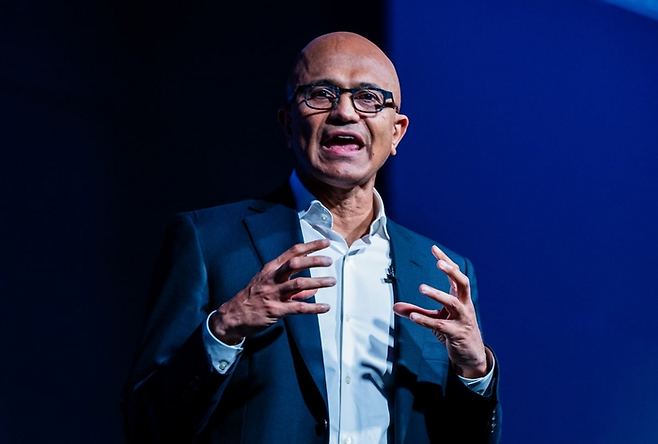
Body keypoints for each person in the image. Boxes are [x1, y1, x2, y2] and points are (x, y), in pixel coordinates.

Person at [121, 31, 501, 444]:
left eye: (369, 98)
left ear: (396, 133)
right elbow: (146, 425)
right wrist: (224, 328)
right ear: (287, 123)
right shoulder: (208, 242)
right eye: (321, 94)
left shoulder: (441, 269)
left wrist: (475, 372)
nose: (344, 113)